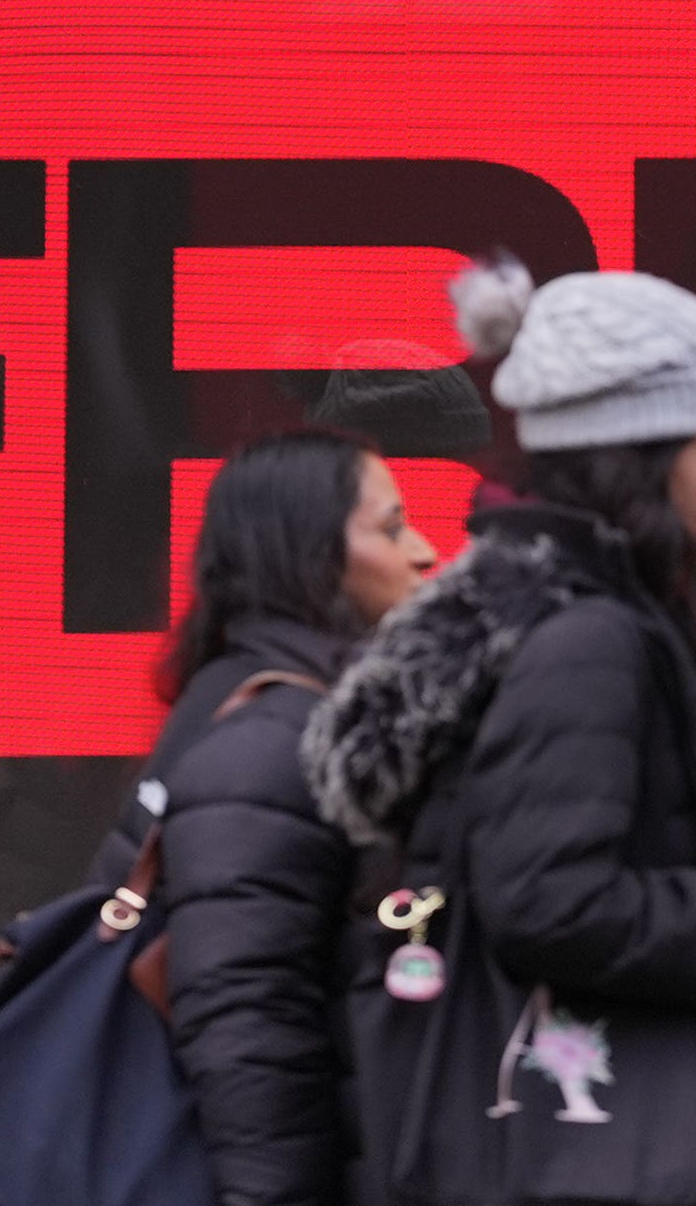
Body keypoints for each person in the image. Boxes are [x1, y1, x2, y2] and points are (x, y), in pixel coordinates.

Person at [307, 262, 696, 1206]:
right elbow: (554, 901)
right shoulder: (590, 638)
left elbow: (578, 855)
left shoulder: (546, 613)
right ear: (637, 453)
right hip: (603, 1155)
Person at [89, 429, 437, 1206]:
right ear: (309, 551)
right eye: (389, 527)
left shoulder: (268, 699)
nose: (423, 550)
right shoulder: (268, 726)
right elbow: (247, 1014)